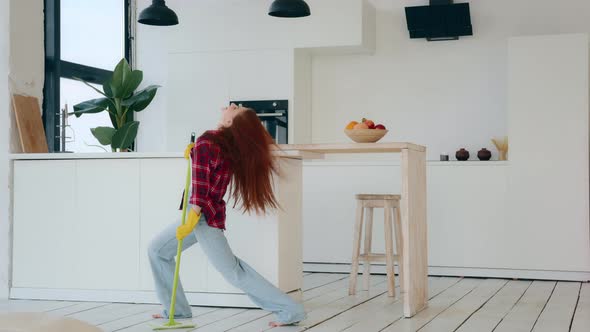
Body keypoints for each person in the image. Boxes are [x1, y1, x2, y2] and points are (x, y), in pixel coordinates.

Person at [148, 104, 307, 327]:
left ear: (230, 122)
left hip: (200, 215)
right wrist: (195, 154)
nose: (231, 106)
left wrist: (192, 217)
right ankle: (178, 310)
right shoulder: (222, 145)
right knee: (157, 250)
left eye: (235, 108)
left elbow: (201, 188)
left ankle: (290, 310)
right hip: (204, 214)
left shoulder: (208, 141)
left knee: (233, 272)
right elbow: (208, 174)